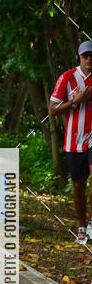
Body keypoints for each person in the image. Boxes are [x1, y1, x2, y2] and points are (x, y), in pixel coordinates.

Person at [50, 40, 92, 242]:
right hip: (74, 140)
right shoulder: (67, 77)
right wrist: (76, 100)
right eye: (86, 56)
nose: (89, 60)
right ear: (80, 58)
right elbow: (52, 110)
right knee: (79, 184)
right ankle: (82, 225)